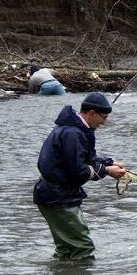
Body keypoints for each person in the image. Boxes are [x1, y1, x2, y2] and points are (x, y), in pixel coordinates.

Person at [34, 93, 127, 261]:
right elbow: (78, 171)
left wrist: (109, 163)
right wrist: (106, 171)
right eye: (103, 117)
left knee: (66, 247)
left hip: (50, 194)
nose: (104, 122)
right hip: (58, 197)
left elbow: (85, 159)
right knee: (83, 247)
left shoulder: (73, 129)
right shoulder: (73, 134)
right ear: (91, 113)